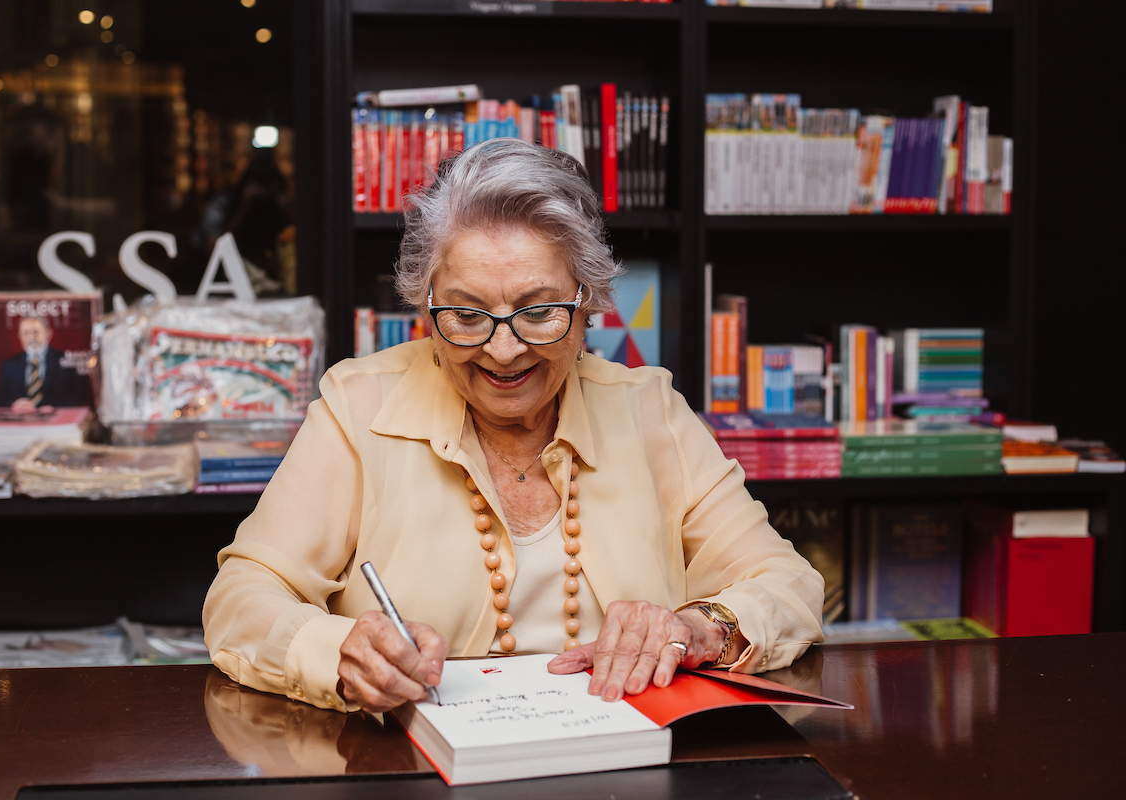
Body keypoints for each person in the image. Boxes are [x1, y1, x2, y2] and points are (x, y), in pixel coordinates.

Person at [203, 139, 824, 714]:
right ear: (425, 308)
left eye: (539, 311)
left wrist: (699, 628)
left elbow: (789, 585)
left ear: (588, 307)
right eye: (467, 314)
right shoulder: (359, 407)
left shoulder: (648, 409)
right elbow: (243, 596)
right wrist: (336, 653)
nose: (504, 350)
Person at [0, 316, 92, 410]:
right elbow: (0, 399)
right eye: (26, 333)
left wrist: (55, 409)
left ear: (49, 333)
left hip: (57, 424)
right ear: (19, 336)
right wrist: (14, 405)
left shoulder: (68, 361)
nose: (31, 337)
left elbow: (80, 397)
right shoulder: (9, 365)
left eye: (36, 332)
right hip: (21, 423)